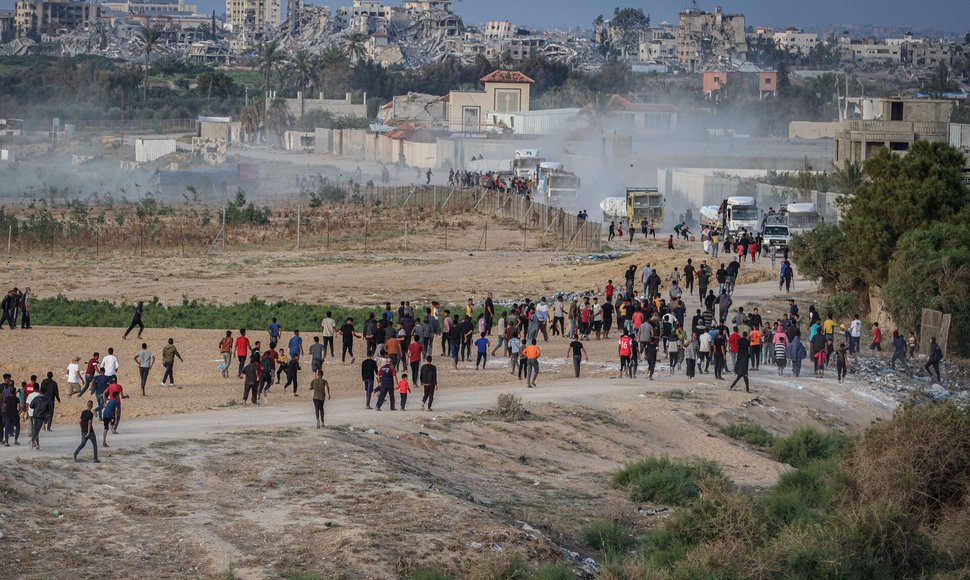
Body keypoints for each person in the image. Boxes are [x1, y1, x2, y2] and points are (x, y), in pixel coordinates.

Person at [3, 378, 20, 446]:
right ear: (15, 392)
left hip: (8, 415)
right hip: (15, 415)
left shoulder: (7, 399)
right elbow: (19, 407)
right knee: (18, 427)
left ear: (10, 392)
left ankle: (7, 442)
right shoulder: (17, 399)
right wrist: (18, 412)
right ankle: (16, 440)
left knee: (7, 428)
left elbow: (4, 405)